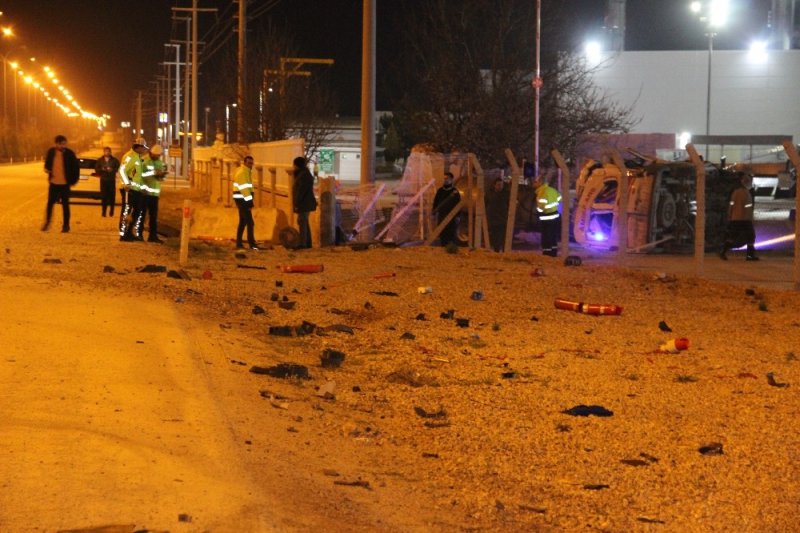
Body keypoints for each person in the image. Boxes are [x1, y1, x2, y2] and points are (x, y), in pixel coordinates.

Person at [42, 135, 80, 233]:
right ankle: (47, 223)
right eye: (61, 144)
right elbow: (47, 163)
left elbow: (76, 168)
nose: (63, 146)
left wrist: (73, 181)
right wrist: (47, 169)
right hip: (54, 183)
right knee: (50, 203)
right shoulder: (51, 152)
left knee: (65, 205)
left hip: (65, 184)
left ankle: (66, 225)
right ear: (56, 144)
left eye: (64, 144)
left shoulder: (70, 154)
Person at [720, 171, 758, 261]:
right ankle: (750, 255)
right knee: (751, 236)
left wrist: (730, 215)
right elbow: (748, 207)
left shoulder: (736, 192)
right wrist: (750, 218)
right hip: (745, 219)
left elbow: (731, 204)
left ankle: (723, 252)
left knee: (732, 236)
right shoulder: (747, 193)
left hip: (735, 218)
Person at [118, 139, 149, 241]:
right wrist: (126, 183)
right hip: (128, 189)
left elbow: (137, 175)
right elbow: (122, 170)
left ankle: (129, 232)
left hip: (135, 189)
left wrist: (142, 187)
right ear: (139, 147)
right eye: (144, 148)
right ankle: (123, 234)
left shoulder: (137, 157)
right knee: (126, 211)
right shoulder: (130, 156)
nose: (144, 150)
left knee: (137, 210)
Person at [139, 144, 167, 243]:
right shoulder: (144, 161)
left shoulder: (160, 163)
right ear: (151, 153)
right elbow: (140, 175)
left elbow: (162, 178)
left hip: (154, 194)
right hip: (144, 192)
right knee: (142, 214)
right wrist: (153, 173)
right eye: (156, 155)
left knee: (153, 216)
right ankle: (139, 234)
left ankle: (152, 236)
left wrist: (162, 175)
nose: (157, 157)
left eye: (159, 155)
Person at [533, 171, 562, 256]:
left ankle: (546, 252)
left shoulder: (541, 192)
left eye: (536, 182)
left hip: (546, 217)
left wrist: (538, 212)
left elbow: (541, 206)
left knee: (546, 236)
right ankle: (554, 252)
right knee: (553, 235)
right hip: (555, 216)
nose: (534, 183)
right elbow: (560, 199)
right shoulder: (552, 190)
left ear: (540, 183)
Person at [233, 155, 259, 250]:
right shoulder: (243, 173)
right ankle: (252, 244)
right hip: (243, 199)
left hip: (242, 199)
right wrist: (249, 202)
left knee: (243, 222)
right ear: (244, 163)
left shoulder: (246, 172)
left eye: (252, 163)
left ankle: (239, 243)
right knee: (250, 222)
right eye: (249, 163)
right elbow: (244, 189)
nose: (250, 165)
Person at [292, 156, 317, 249]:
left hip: (304, 202)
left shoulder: (303, 175)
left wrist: (297, 202)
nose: (293, 166)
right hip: (305, 202)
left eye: (294, 165)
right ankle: (307, 243)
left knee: (302, 222)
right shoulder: (303, 173)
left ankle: (303, 244)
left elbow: (301, 191)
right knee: (304, 222)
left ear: (297, 165)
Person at [433, 172, 461, 247]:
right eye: (444, 178)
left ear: (451, 179)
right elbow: (436, 202)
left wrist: (458, 216)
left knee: (451, 233)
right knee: (442, 232)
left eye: (447, 178)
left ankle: (451, 248)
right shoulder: (440, 191)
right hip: (442, 215)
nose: (445, 180)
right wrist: (434, 212)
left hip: (452, 216)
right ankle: (443, 247)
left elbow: (458, 204)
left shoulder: (455, 191)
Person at [485, 177, 510, 252]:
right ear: (494, 185)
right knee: (495, 235)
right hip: (493, 218)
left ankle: (504, 250)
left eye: (501, 185)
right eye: (498, 185)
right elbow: (485, 203)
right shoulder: (489, 193)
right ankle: (496, 250)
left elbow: (509, 204)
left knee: (503, 236)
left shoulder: (506, 194)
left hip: (503, 218)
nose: (500, 186)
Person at [95, 147, 120, 217]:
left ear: (110, 152)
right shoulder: (100, 160)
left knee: (112, 196)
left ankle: (111, 211)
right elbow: (96, 169)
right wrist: (102, 169)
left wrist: (112, 169)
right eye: (106, 151)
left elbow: (118, 167)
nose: (107, 153)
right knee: (103, 196)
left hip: (111, 180)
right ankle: (104, 212)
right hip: (103, 180)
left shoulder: (114, 160)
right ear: (104, 152)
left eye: (108, 151)